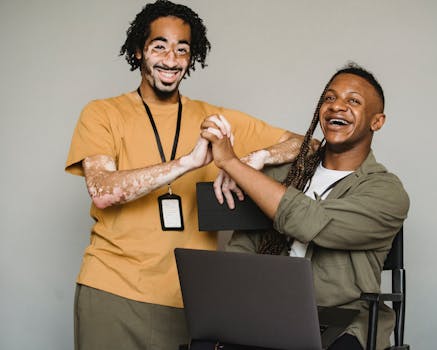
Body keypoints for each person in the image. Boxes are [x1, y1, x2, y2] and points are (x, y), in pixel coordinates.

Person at [65, 1, 306, 349]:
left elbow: (308, 144)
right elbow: (102, 188)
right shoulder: (103, 113)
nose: (171, 59)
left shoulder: (214, 118)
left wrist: (252, 160)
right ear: (138, 52)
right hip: (111, 292)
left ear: (192, 58)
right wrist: (187, 163)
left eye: (182, 49)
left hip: (190, 301)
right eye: (159, 46)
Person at [201, 62, 410, 350]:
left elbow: (311, 221)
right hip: (269, 311)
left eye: (353, 101)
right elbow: (244, 248)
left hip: (342, 320)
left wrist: (232, 163)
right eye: (329, 98)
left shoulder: (386, 192)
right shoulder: (284, 176)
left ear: (377, 121)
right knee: (205, 342)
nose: (337, 106)